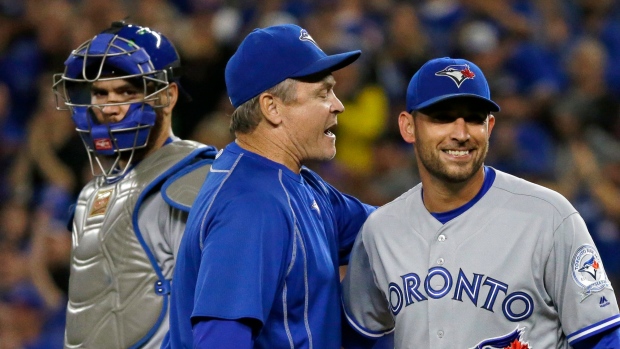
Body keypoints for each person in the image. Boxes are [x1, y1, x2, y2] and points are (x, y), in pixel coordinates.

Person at [341, 57, 620, 348]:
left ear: (489, 126)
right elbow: (357, 338)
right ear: (408, 127)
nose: (461, 134)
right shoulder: (380, 230)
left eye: (474, 118)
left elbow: (602, 337)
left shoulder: (549, 216)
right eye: (442, 117)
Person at [164, 24, 377, 349]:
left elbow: (390, 230)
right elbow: (220, 342)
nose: (338, 105)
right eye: (323, 93)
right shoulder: (250, 206)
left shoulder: (294, 183)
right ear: (272, 107)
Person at [52, 21, 218, 348]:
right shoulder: (91, 193)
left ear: (167, 97)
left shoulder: (194, 179)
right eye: (100, 93)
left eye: (127, 91)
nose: (109, 108)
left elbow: (216, 311)